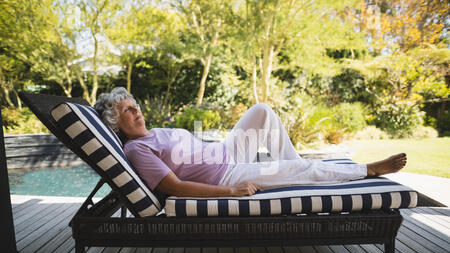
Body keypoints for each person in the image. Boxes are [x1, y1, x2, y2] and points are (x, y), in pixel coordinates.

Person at [94, 87, 407, 197]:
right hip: (228, 175)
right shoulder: (137, 149)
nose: (136, 110)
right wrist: (231, 190)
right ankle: (367, 171)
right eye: (126, 110)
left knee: (261, 111)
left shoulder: (154, 132)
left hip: (228, 151)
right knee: (305, 171)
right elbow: (173, 187)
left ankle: (293, 165)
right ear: (114, 122)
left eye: (134, 105)